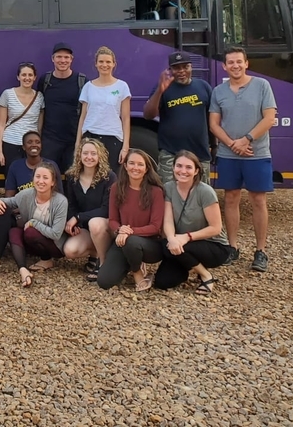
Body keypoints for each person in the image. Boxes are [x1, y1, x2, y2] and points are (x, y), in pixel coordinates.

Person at [208, 46, 277, 273]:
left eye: (239, 61)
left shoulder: (262, 86)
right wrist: (232, 144)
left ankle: (260, 251)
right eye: (231, 62)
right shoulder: (219, 91)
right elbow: (214, 124)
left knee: (258, 199)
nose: (235, 66)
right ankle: (232, 247)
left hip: (257, 153)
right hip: (229, 154)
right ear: (224, 66)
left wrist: (246, 140)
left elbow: (269, 118)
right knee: (230, 198)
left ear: (246, 63)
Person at [155, 151, 232, 294]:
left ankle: (205, 274)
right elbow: (168, 221)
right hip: (182, 244)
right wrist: (172, 238)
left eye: (188, 167)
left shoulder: (205, 191)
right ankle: (189, 265)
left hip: (213, 245)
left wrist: (186, 237)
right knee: (162, 282)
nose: (183, 171)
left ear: (196, 171)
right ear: (173, 168)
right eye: (179, 166)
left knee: (173, 247)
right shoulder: (168, 188)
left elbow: (215, 228)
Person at [0, 162, 68, 287]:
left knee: (30, 231)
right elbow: (9, 201)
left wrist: (34, 223)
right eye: (37, 177)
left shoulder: (60, 201)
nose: (41, 181)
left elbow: (56, 234)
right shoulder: (26, 194)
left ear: (53, 182)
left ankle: (47, 259)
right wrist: (0, 201)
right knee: (13, 231)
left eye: (45, 178)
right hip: (33, 242)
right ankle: (23, 269)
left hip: (54, 246)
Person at [97, 149, 164, 292]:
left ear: (146, 168)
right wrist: (120, 230)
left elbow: (156, 227)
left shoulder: (155, 191)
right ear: (125, 166)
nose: (135, 167)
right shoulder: (117, 187)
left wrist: (129, 232)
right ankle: (132, 261)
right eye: (132, 163)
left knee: (132, 242)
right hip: (123, 239)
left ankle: (137, 272)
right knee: (104, 282)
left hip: (150, 244)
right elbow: (113, 220)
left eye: (140, 164)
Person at [143, 51, 213, 185]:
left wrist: (214, 145)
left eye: (185, 67)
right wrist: (160, 91)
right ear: (170, 70)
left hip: (200, 153)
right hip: (171, 153)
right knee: (169, 195)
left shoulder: (203, 87)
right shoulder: (163, 88)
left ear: (191, 67)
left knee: (202, 197)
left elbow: (210, 118)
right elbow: (148, 115)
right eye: (176, 68)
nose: (181, 71)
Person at [61, 138, 115, 282]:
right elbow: (71, 204)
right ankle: (95, 252)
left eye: (93, 153)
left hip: (104, 224)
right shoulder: (72, 177)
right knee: (70, 251)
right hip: (85, 226)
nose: (89, 157)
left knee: (95, 224)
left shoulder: (109, 177)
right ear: (79, 155)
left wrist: (78, 217)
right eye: (85, 153)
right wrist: (73, 222)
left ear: (100, 156)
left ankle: (103, 262)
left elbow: (106, 209)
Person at [36, 43, 88, 173]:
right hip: (50, 140)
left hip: (73, 140)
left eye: (66, 57)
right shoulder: (45, 80)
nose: (63, 60)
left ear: (71, 59)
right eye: (59, 57)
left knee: (73, 178)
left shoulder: (82, 81)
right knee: (48, 175)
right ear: (52, 59)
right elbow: (40, 109)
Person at [77, 46, 131, 165]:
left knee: (111, 178)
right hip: (90, 137)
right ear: (96, 64)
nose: (104, 65)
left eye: (108, 62)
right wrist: (77, 144)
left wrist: (125, 147)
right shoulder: (88, 87)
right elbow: (83, 116)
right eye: (101, 61)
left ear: (113, 64)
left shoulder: (122, 87)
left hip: (113, 138)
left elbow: (126, 118)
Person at [0, 62, 45, 171]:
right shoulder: (7, 94)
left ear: (35, 77)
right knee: (11, 178)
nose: (27, 78)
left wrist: (38, 144)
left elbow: (39, 127)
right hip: (10, 143)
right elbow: (1, 125)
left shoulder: (39, 97)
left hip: (31, 145)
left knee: (30, 179)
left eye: (30, 75)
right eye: (23, 75)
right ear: (18, 77)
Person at [3, 130, 59, 196]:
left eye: (37, 142)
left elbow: (59, 195)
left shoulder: (51, 165)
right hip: (22, 205)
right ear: (23, 147)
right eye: (29, 142)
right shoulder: (15, 166)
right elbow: (9, 196)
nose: (34, 145)